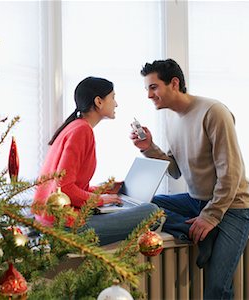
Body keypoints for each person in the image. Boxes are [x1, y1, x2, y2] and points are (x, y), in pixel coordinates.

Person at [131, 58, 249, 299]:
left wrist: (210, 216)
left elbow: (231, 172)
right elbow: (176, 169)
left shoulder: (214, 112)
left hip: (233, 207)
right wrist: (149, 147)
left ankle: (204, 231)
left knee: (217, 288)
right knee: (148, 205)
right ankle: (194, 234)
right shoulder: (170, 118)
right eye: (147, 89)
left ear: (174, 83)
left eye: (153, 87)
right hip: (196, 200)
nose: (149, 95)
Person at [33, 76, 159, 246]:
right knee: (152, 212)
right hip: (63, 226)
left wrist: (103, 189)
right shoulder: (81, 131)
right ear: (99, 101)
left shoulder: (75, 127)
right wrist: (102, 200)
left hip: (52, 220)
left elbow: (70, 185)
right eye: (113, 97)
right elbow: (65, 189)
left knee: (149, 208)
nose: (116, 104)